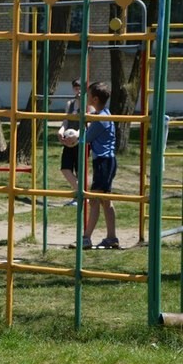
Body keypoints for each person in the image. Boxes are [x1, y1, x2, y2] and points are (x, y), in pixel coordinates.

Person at [74, 82, 119, 250]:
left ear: (94, 98)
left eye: (88, 95)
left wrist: (72, 139)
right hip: (107, 161)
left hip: (103, 163)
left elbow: (84, 139)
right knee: (105, 202)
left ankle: (86, 238)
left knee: (94, 201)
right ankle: (111, 237)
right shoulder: (104, 113)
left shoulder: (100, 119)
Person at [58, 78, 84, 206]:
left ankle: (80, 197)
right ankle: (80, 193)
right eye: (75, 87)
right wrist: (61, 131)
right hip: (69, 141)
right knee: (65, 168)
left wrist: (77, 135)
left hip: (81, 141)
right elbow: (65, 121)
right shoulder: (70, 104)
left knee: (80, 170)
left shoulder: (87, 105)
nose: (78, 90)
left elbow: (87, 124)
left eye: (80, 87)